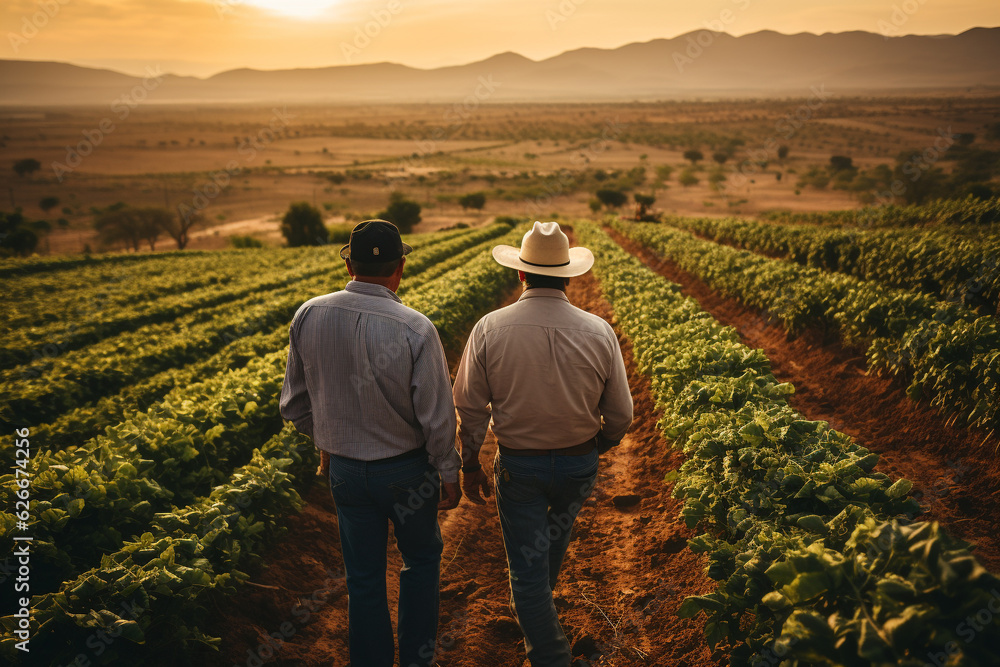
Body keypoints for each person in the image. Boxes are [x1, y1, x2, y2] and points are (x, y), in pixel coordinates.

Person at [279, 219, 462, 667]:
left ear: (348, 262)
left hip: (344, 472)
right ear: (401, 267)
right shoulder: (416, 328)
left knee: (362, 577)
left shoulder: (309, 313)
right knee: (420, 563)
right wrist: (449, 471)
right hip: (405, 472)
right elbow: (437, 417)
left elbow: (293, 405)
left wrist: (329, 439)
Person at [453, 221, 634, 667]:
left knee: (528, 571)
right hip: (578, 466)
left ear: (520, 274)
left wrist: (470, 462)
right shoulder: (598, 331)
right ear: (569, 276)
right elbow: (622, 416)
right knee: (550, 546)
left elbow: (470, 407)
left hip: (521, 467)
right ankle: (539, 613)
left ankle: (551, 654)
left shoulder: (490, 328)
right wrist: (600, 446)